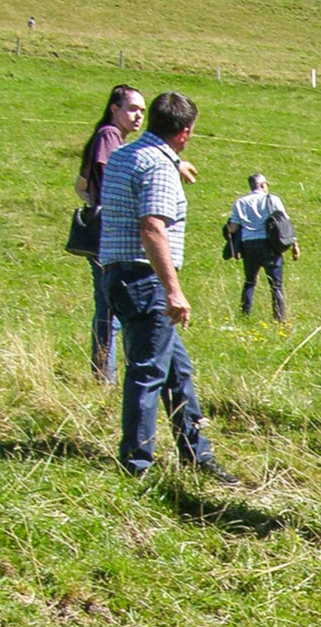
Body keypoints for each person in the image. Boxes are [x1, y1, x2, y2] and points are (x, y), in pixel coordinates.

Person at [98, 91, 236, 484]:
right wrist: (173, 289)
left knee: (178, 370)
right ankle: (136, 464)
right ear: (186, 132)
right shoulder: (158, 166)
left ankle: (196, 451)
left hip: (117, 274)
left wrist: (176, 165)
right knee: (147, 372)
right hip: (146, 279)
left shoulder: (126, 154)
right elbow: (151, 227)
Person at [75, 85, 143, 383]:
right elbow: (112, 176)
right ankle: (105, 375)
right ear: (114, 109)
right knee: (111, 306)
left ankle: (104, 372)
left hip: (102, 231)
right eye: (132, 108)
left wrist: (92, 202)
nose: (138, 115)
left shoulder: (105, 135)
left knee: (108, 303)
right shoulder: (109, 136)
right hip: (109, 235)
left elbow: (80, 185)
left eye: (142, 110)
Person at [225, 173, 300, 321]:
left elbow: (232, 228)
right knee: (275, 285)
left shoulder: (240, 202)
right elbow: (284, 223)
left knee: (250, 281)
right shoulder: (272, 199)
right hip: (269, 244)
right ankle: (279, 318)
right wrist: (295, 245)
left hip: (249, 245)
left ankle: (245, 314)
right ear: (262, 185)